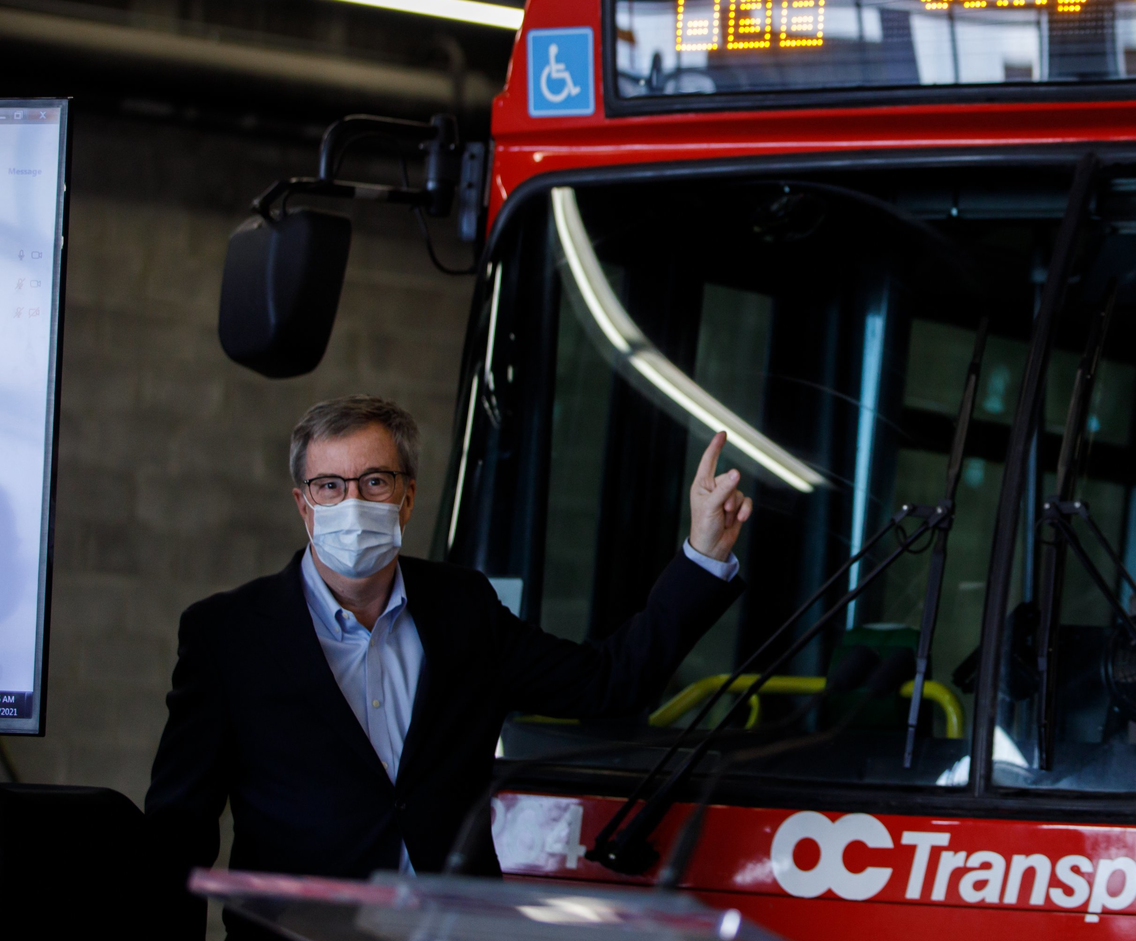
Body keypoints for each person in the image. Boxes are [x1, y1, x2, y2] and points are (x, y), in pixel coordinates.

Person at [146, 396, 753, 937]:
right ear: (304, 505)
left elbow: (608, 682)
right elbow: (180, 825)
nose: (351, 502)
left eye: (374, 481)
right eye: (329, 486)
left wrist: (702, 556)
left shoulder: (464, 608)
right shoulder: (227, 634)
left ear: (407, 497)